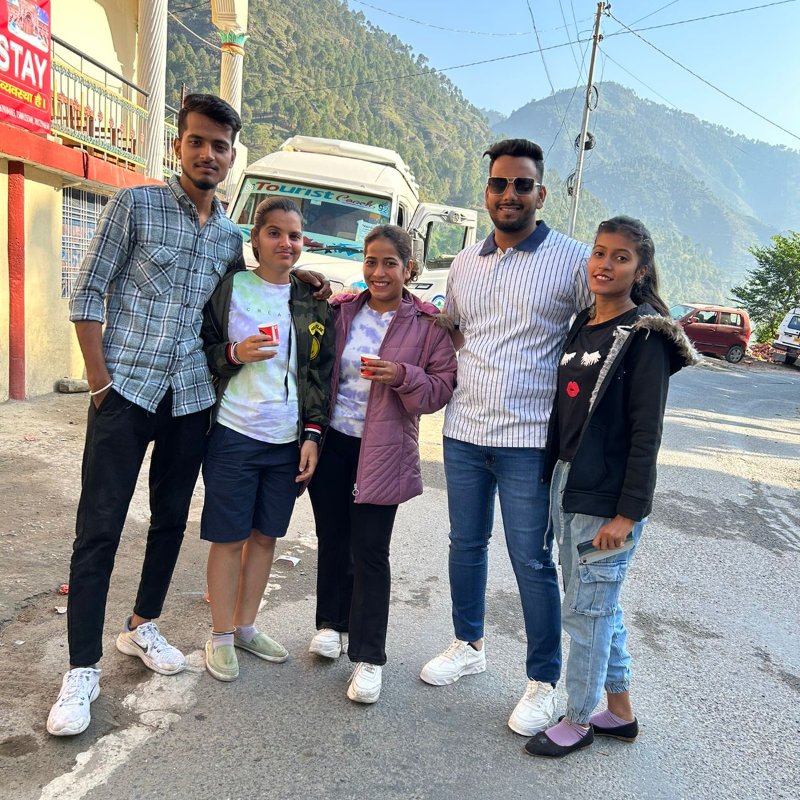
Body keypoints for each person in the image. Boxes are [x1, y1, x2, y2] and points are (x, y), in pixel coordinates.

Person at [49, 94, 329, 737]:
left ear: (232, 158)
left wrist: (304, 273)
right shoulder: (134, 205)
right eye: (197, 141)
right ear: (178, 144)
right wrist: (99, 382)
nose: (208, 154)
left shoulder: (231, 237)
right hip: (126, 393)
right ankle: (81, 668)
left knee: (170, 521)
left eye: (220, 146)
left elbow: (251, 284)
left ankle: (142, 624)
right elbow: (88, 291)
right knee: (99, 528)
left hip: (192, 399)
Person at [419, 139, 592, 737]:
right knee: (465, 544)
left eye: (521, 184)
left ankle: (544, 680)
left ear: (540, 194)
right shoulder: (465, 262)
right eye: (499, 183)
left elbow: (611, 319)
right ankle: (468, 645)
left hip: (530, 438)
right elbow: (455, 331)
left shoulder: (573, 260)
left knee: (531, 558)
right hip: (464, 430)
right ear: (487, 191)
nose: (509, 194)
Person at [524, 216, 699, 757]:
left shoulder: (645, 336)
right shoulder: (584, 321)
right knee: (599, 604)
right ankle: (619, 712)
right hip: (568, 481)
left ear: (640, 270)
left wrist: (627, 515)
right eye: (599, 253)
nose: (604, 264)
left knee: (587, 611)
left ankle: (578, 719)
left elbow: (647, 434)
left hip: (607, 498)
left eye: (620, 257)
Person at [308, 225, 457, 704]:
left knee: (370, 550)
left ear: (408, 269)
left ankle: (369, 656)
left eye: (390, 263)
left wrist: (402, 375)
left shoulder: (427, 324)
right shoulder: (342, 311)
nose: (378, 272)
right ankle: (332, 623)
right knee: (332, 538)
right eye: (371, 261)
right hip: (333, 442)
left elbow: (440, 389)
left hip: (383, 449)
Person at [199, 197, 334, 681]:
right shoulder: (231, 288)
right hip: (234, 432)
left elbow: (319, 372)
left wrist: (312, 434)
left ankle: (245, 627)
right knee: (228, 537)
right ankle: (219, 636)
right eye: (274, 232)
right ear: (254, 238)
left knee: (264, 537)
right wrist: (235, 353)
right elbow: (203, 348)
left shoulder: (311, 299)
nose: (285, 243)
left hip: (286, 440)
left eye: (294, 235)